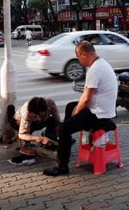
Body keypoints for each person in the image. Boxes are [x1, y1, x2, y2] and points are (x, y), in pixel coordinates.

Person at [43, 41, 118, 176]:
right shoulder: (101, 63)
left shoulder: (95, 69)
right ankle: (64, 141)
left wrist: (76, 113)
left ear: (84, 54)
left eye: (78, 57)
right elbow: (86, 96)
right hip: (102, 109)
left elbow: (87, 98)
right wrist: (76, 109)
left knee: (64, 128)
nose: (78, 60)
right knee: (70, 107)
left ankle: (62, 166)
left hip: (99, 114)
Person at [7, 97, 61, 166]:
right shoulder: (27, 113)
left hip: (38, 122)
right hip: (18, 123)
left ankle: (50, 142)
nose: (36, 116)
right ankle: (25, 148)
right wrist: (38, 139)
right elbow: (22, 134)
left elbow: (57, 121)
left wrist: (59, 135)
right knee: (27, 134)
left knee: (52, 121)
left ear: (45, 110)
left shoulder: (50, 103)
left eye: (37, 114)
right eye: (34, 115)